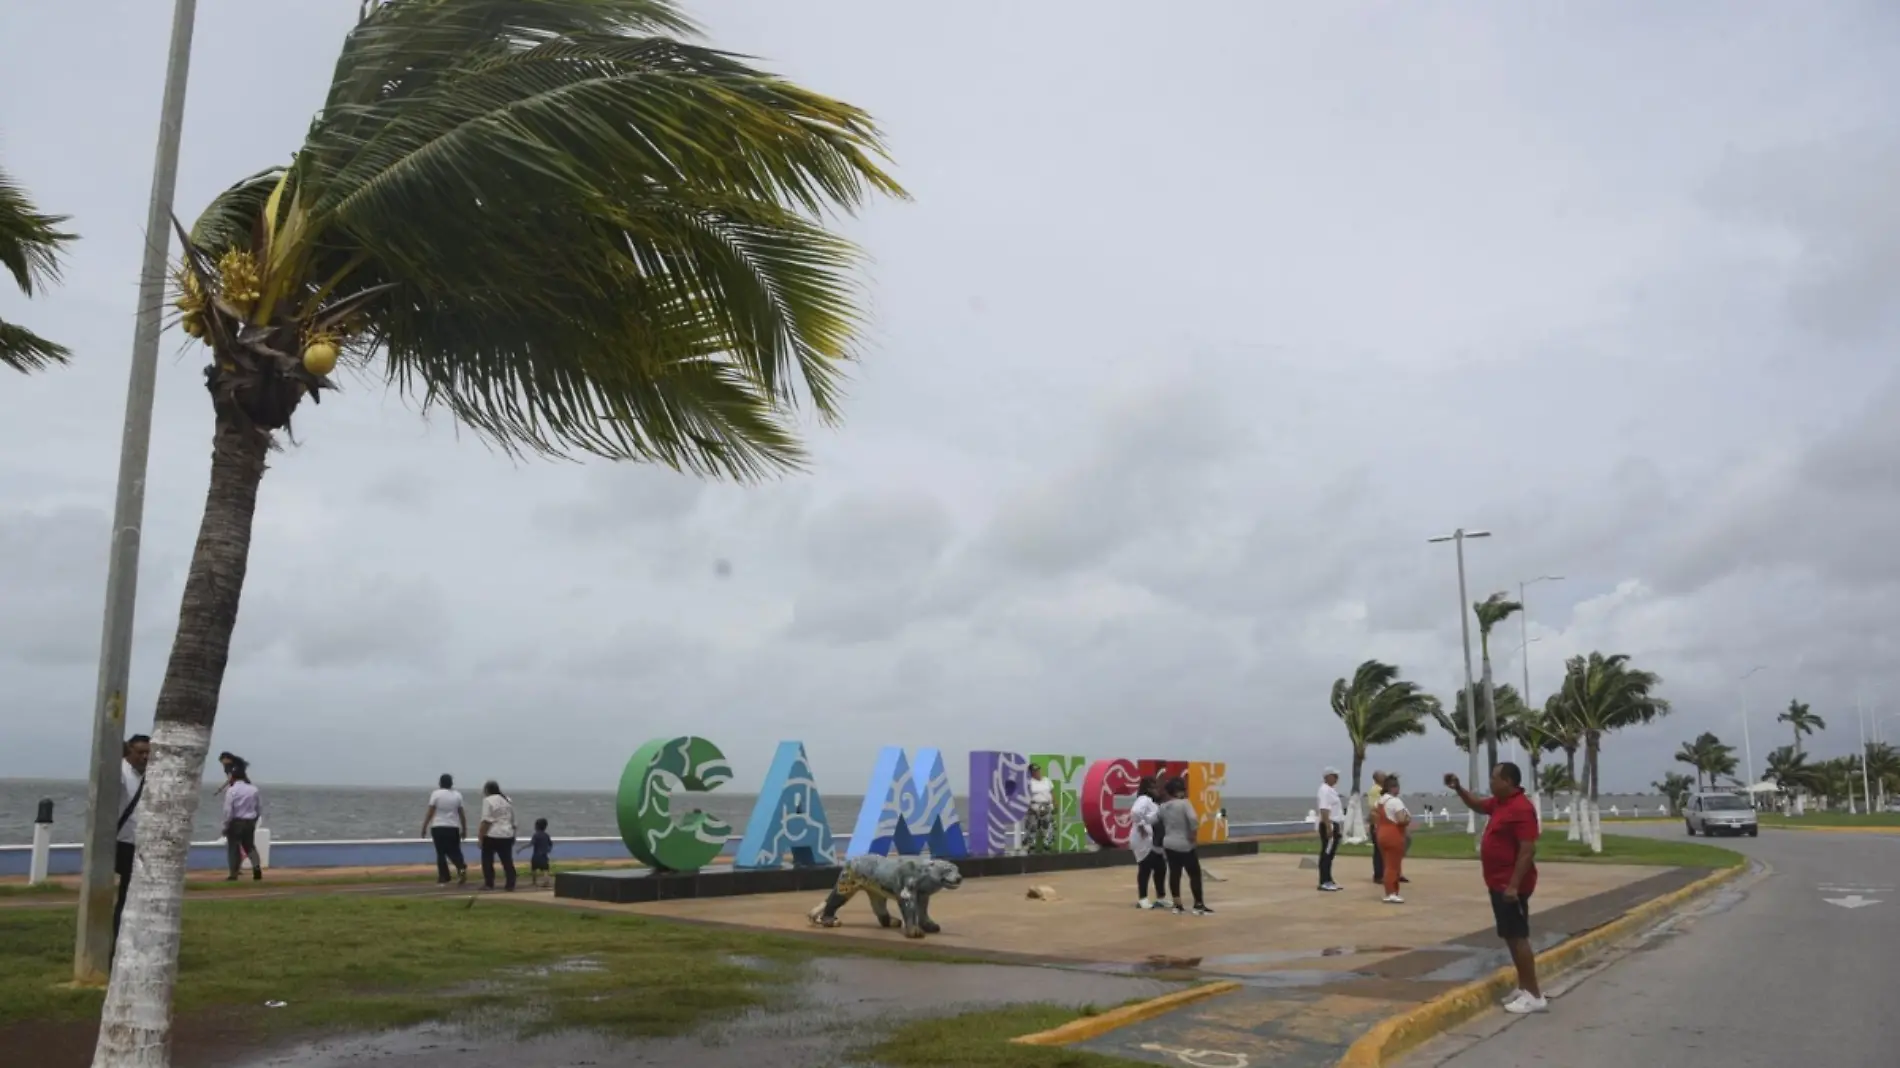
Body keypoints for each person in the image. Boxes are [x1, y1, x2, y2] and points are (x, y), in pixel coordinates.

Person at [1445, 764, 1546, 1014]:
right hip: (1498, 883)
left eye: (1494, 778)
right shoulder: (1501, 803)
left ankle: (1534, 995)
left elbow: (1527, 849)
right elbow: (1478, 805)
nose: (1490, 782)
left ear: (1508, 781)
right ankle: (1524, 987)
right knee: (1510, 937)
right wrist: (1459, 789)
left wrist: (1513, 885)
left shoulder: (1521, 808)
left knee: (1518, 937)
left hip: (1511, 886)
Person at [114, 734, 151, 948]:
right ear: (129, 752)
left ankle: (126, 940)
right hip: (120, 842)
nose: (145, 757)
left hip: (138, 843)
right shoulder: (120, 772)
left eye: (148, 753)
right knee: (125, 896)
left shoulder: (148, 776)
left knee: (132, 896)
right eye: (140, 752)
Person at [1158, 777, 1211, 915]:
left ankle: (1177, 905)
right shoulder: (1184, 803)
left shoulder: (1163, 806)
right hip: (1185, 844)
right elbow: (1193, 818)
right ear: (1178, 791)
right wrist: (1194, 833)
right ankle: (1198, 905)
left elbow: (1156, 820)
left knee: (1174, 873)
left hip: (1169, 843)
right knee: (1194, 873)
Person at [420, 773, 469, 885]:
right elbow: (461, 814)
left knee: (441, 852)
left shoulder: (436, 794)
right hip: (453, 827)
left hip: (438, 827)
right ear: (451, 783)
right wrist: (464, 829)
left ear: (440, 783)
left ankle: (444, 876)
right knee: (455, 851)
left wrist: (424, 827)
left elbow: (430, 811)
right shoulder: (457, 795)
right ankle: (461, 868)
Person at [221, 763, 264, 881]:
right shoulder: (253, 790)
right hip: (249, 821)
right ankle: (256, 868)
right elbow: (258, 808)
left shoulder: (231, 791)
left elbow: (228, 810)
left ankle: (233, 873)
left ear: (233, 778)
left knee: (233, 848)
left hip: (236, 822)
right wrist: (254, 820)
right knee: (250, 846)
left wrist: (225, 825)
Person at [1129, 775, 1166, 909]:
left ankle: (1161, 897)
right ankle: (1142, 898)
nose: (1157, 790)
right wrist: (1141, 824)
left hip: (1152, 841)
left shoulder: (1152, 801)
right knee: (1145, 867)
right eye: (1154, 787)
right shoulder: (1143, 799)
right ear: (1148, 789)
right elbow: (1135, 812)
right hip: (1142, 839)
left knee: (1160, 867)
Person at [1375, 774, 1411, 903]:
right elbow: (1401, 819)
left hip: (1381, 833)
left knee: (1387, 864)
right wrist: (1408, 819)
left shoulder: (1380, 801)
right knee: (1393, 865)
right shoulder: (1396, 801)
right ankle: (1391, 892)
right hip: (1393, 834)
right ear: (1393, 787)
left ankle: (1391, 891)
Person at [477, 780, 518, 891]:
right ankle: (510, 883)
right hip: (507, 834)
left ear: (487, 790)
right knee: (507, 860)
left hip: (492, 834)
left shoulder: (488, 801)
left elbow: (486, 821)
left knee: (487, 860)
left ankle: (489, 883)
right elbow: (513, 820)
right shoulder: (507, 800)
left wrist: (480, 837)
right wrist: (514, 834)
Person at [1316, 766, 1344, 892]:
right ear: (1327, 777)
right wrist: (1328, 826)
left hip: (1334, 823)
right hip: (1329, 823)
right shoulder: (1324, 790)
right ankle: (1324, 881)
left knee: (1330, 854)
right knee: (1326, 854)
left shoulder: (1331, 790)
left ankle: (1329, 879)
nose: (1337, 778)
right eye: (1334, 775)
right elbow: (1324, 809)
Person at [1025, 763, 1056, 853]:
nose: (1037, 772)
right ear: (1031, 773)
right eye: (1035, 771)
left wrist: (1054, 802)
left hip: (1046, 805)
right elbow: (1026, 795)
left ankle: (1047, 844)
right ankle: (1031, 845)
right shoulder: (1029, 782)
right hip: (1034, 806)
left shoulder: (1047, 780)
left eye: (1038, 770)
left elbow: (1052, 792)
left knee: (1048, 825)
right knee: (1032, 826)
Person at [520, 817, 554, 888]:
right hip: (544, 855)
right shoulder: (546, 835)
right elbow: (550, 844)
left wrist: (522, 848)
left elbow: (531, 843)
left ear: (536, 826)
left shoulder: (536, 835)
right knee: (545, 869)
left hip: (536, 855)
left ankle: (534, 882)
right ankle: (546, 882)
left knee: (534, 869)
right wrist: (549, 849)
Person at [1367, 770, 1388, 885]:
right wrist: (1375, 825)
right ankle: (1379, 875)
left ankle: (1384, 873)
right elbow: (1374, 809)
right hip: (1378, 823)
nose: (1385, 777)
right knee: (1379, 851)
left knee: (1383, 850)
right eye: (1383, 776)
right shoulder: (1376, 790)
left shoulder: (1381, 790)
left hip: (1382, 823)